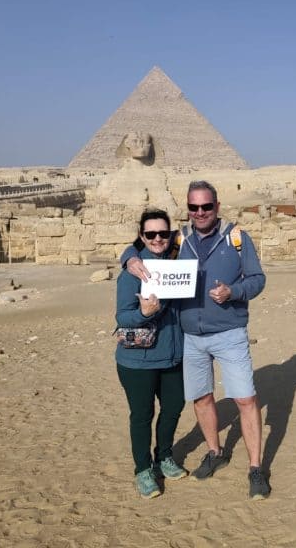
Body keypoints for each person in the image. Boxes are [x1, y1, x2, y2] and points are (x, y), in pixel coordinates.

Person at [123, 181, 271, 499]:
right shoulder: (179, 239)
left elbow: (258, 279)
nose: (200, 212)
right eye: (194, 207)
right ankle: (215, 453)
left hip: (229, 333)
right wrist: (127, 259)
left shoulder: (236, 238)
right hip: (191, 337)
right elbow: (143, 246)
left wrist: (235, 292)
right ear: (187, 209)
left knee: (245, 399)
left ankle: (256, 468)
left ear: (217, 206)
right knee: (201, 398)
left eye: (206, 206)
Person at [115, 209, 186, 499]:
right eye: (151, 234)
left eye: (163, 233)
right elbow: (122, 316)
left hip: (173, 355)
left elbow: (203, 231)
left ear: (171, 234)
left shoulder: (179, 260)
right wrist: (144, 313)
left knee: (174, 408)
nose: (158, 238)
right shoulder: (133, 271)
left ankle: (164, 457)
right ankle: (143, 470)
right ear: (142, 236)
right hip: (138, 360)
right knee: (142, 415)